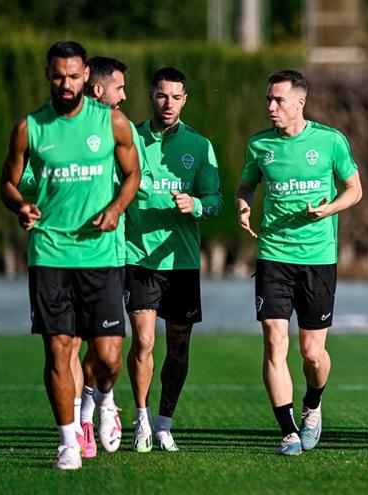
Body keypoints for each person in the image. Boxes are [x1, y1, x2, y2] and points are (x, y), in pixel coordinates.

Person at [0, 41, 140, 469]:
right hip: (50, 254)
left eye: (74, 75)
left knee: (109, 356)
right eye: (58, 75)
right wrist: (20, 205)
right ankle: (67, 442)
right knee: (59, 348)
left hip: (101, 255)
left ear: (85, 77)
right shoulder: (30, 128)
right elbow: (8, 182)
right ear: (48, 75)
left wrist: (116, 208)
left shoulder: (112, 122)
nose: (66, 83)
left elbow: (132, 174)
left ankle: (106, 399)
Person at [236, 69, 362, 455]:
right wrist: (244, 205)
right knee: (275, 343)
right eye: (268, 99)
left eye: (278, 100)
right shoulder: (259, 145)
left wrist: (328, 211)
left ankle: (313, 405)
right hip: (274, 256)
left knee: (311, 354)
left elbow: (354, 190)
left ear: (299, 102)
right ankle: (288, 430)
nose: (271, 107)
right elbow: (247, 183)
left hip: (318, 260)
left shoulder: (329, 142)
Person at [123, 66, 223, 453]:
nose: (168, 103)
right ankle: (141, 419)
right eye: (162, 95)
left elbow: (216, 203)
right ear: (151, 95)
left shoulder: (199, 146)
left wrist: (196, 203)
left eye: (176, 96)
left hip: (181, 262)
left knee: (178, 346)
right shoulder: (129, 136)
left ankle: (165, 422)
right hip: (140, 257)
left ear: (185, 99)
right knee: (144, 341)